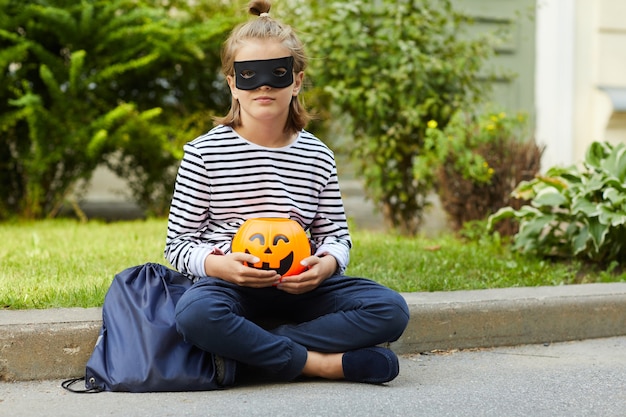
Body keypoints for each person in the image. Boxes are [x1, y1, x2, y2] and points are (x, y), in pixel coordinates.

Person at [165, 0, 410, 387]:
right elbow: (178, 244)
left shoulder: (317, 155)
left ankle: (248, 355)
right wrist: (219, 266)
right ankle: (323, 364)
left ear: (296, 81)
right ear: (232, 82)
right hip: (231, 287)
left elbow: (335, 235)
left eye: (276, 73)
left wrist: (326, 265)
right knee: (195, 315)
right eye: (249, 74)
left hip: (300, 286)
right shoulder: (203, 153)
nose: (263, 85)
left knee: (390, 310)